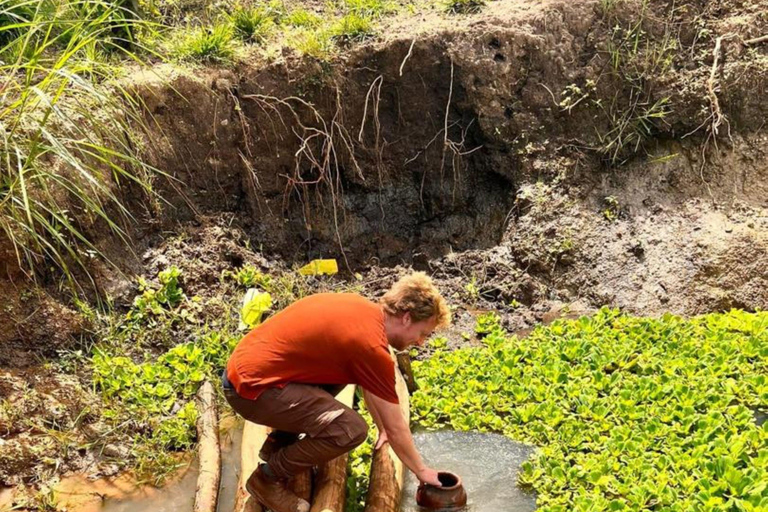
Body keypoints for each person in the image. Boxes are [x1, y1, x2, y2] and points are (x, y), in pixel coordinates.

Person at [222, 271, 452, 512]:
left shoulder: (362, 310)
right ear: (406, 318)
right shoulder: (371, 346)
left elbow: (371, 386)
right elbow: (396, 428)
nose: (421, 342)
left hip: (246, 371)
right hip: (251, 390)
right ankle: (267, 478)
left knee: (336, 375)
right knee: (350, 430)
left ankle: (278, 442)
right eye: (423, 333)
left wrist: (383, 428)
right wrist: (421, 471)